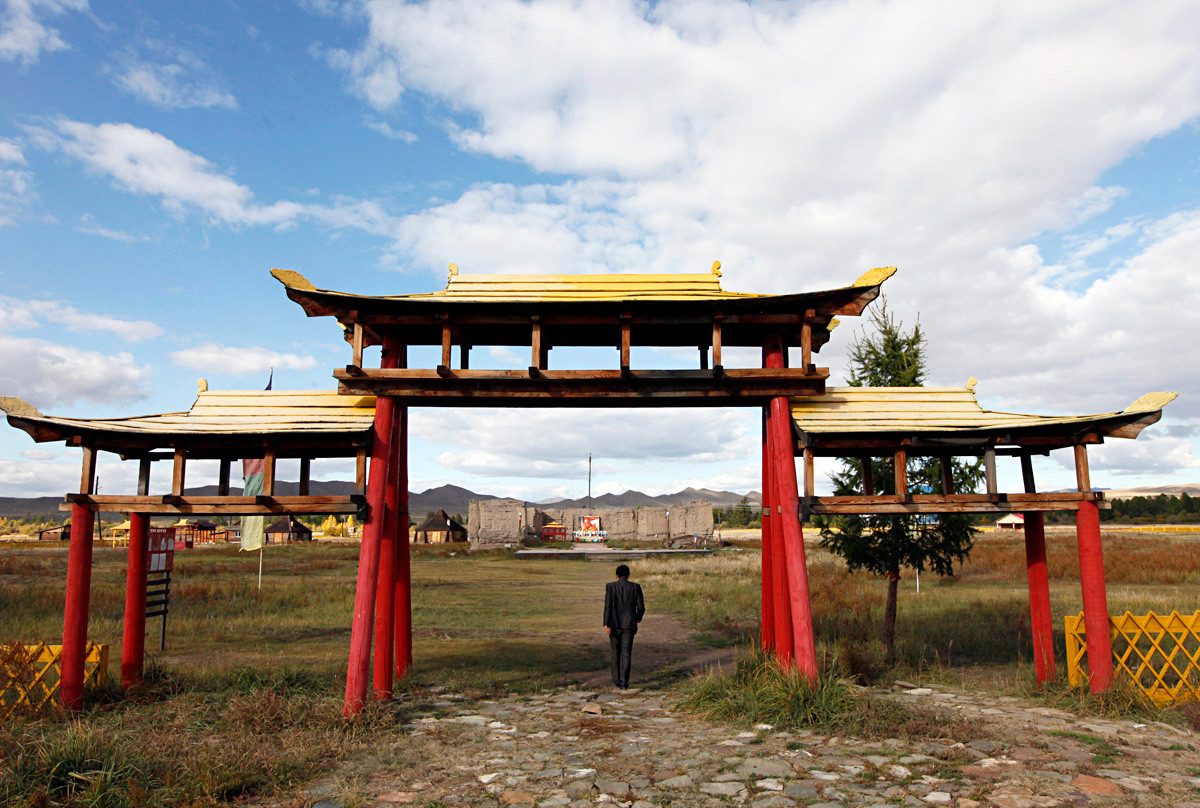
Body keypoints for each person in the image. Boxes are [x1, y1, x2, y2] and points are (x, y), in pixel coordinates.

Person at [603, 564, 645, 689]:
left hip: (614, 624)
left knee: (615, 652)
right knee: (626, 653)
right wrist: (638, 618)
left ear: (617, 575)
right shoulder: (635, 587)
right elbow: (641, 607)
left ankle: (616, 680)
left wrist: (606, 623)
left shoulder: (610, 586)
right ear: (628, 575)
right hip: (629, 624)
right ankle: (624, 683)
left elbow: (608, 606)